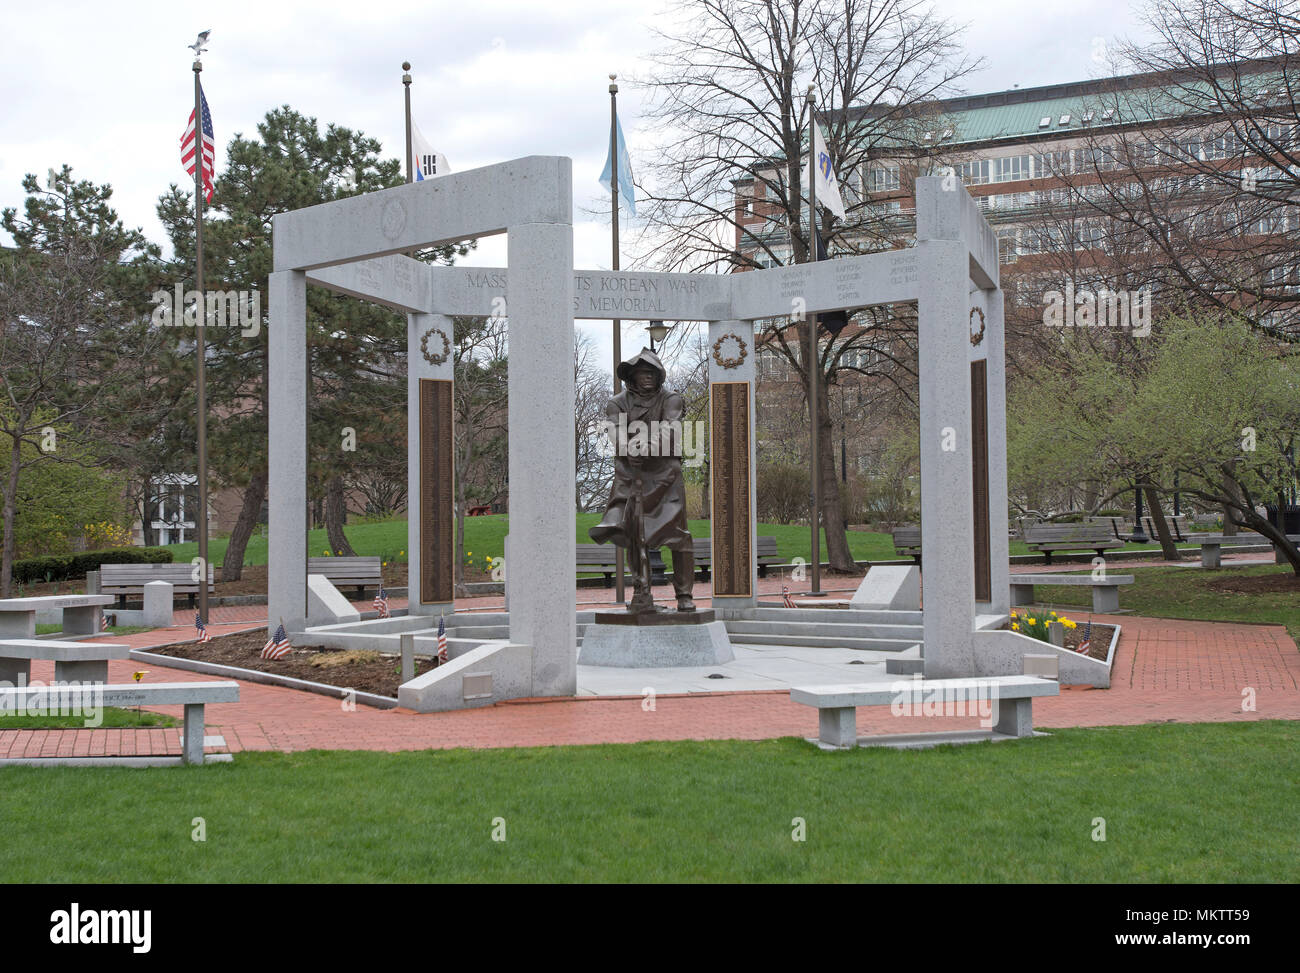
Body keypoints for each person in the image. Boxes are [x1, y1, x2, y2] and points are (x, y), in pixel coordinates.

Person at [589, 348, 695, 613]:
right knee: (634, 534)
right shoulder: (617, 402)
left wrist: (646, 447)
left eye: (651, 372)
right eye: (641, 373)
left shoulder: (671, 399)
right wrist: (628, 449)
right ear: (632, 377)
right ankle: (641, 591)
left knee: (679, 536)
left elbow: (671, 427)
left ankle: (684, 595)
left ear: (659, 375)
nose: (646, 377)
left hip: (665, 475)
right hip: (631, 475)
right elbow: (616, 431)